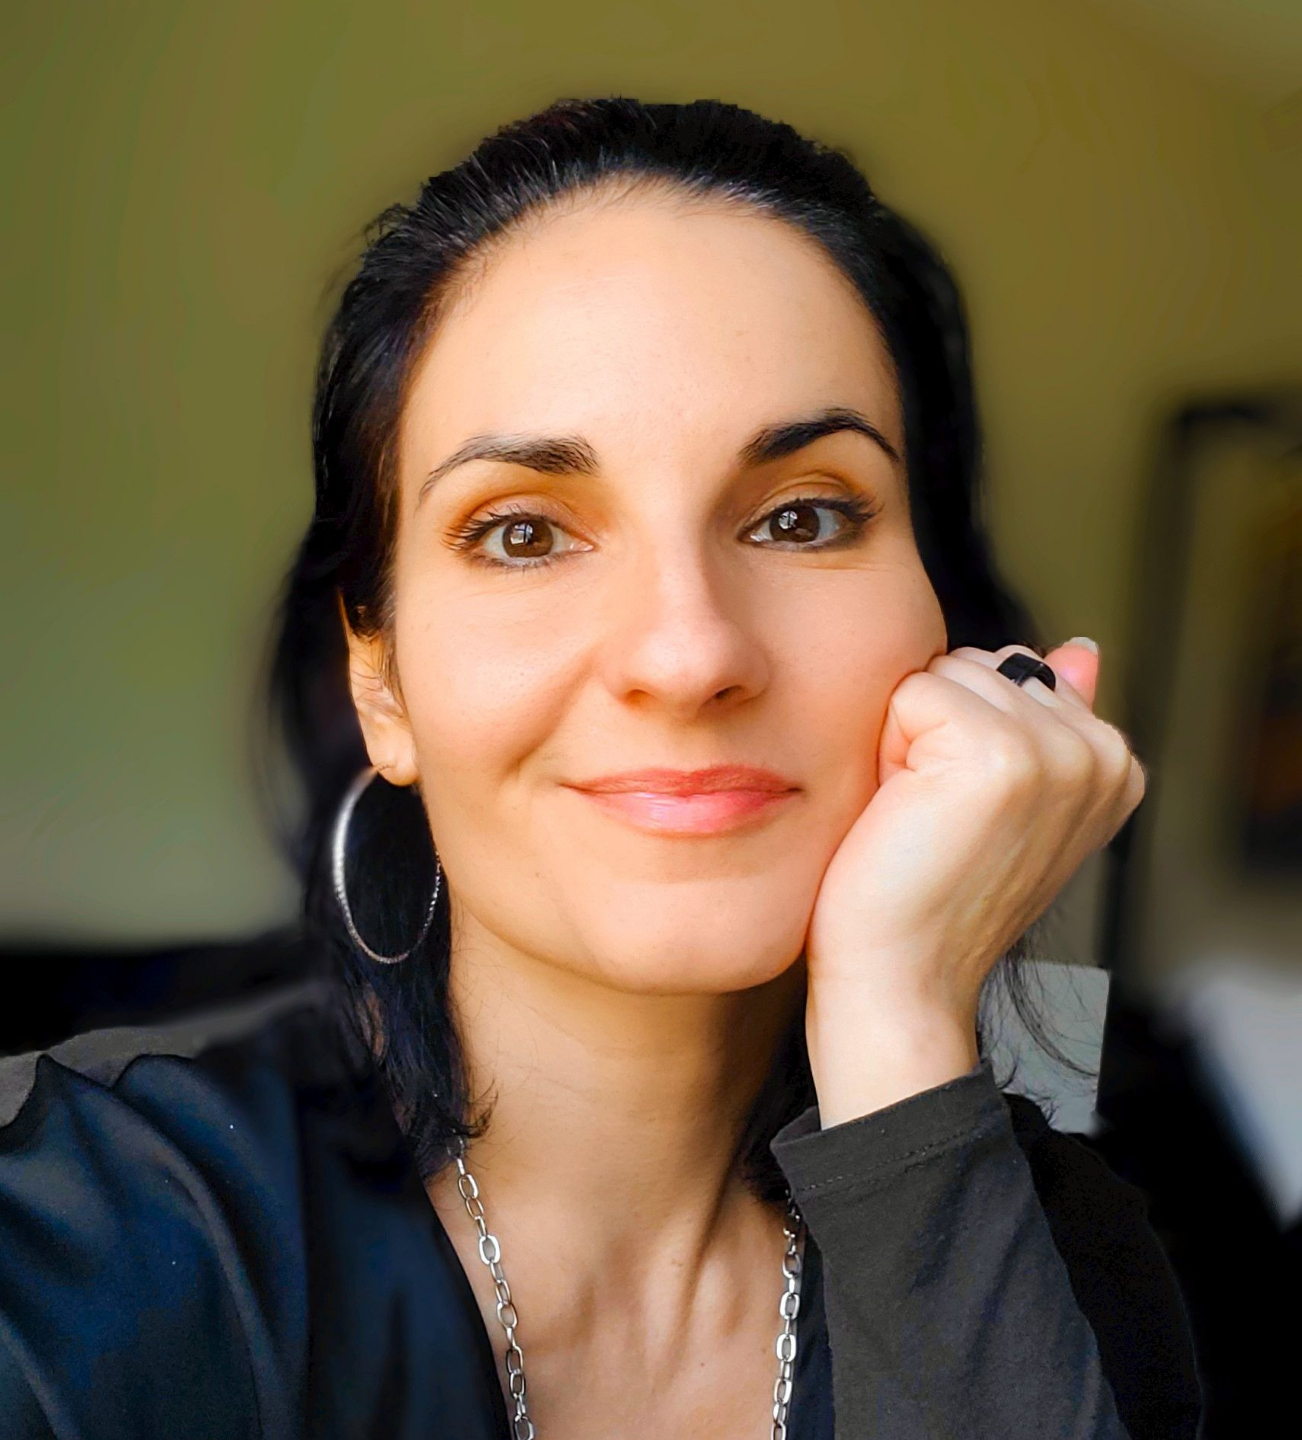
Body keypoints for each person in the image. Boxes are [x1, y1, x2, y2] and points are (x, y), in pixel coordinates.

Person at [0, 96, 1203, 1439]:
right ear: (380, 682)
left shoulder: (1071, 1267)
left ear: (945, 627)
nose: (688, 654)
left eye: (803, 517)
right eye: (524, 533)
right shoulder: (66, 1243)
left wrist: (900, 1026)